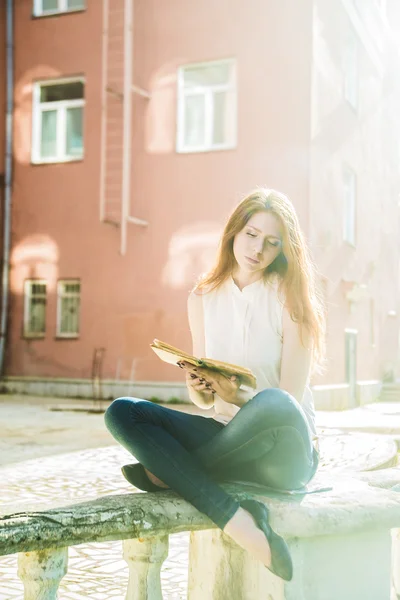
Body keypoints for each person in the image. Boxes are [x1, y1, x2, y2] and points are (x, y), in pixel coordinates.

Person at [104, 188, 325, 582]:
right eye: (251, 235)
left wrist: (240, 397)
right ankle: (237, 519)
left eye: (272, 243)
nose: (258, 249)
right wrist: (202, 387)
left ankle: (174, 471)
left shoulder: (291, 299)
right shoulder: (204, 296)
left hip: (285, 451)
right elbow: (204, 402)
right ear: (234, 232)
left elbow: (288, 404)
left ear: (283, 250)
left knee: (273, 401)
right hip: (229, 437)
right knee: (122, 412)